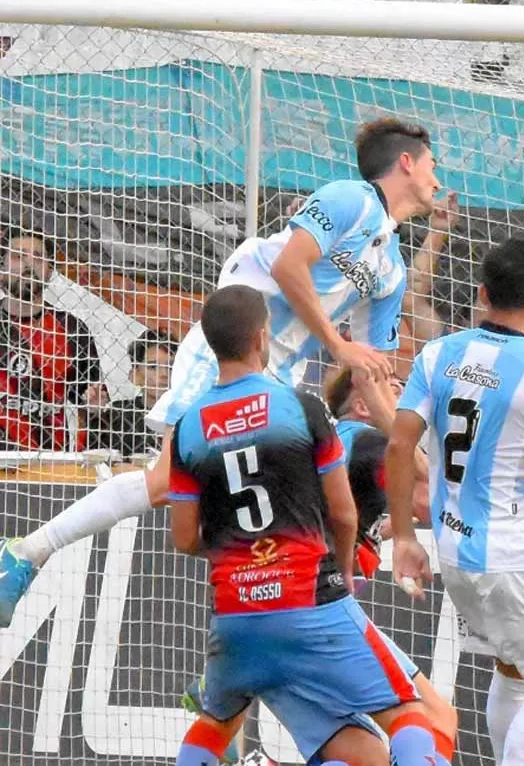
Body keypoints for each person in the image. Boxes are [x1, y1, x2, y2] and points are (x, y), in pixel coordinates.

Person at [0, 117, 443, 628]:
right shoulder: (351, 198)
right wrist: (339, 344)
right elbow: (288, 267)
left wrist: (409, 447)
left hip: (277, 383)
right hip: (224, 349)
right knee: (169, 484)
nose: (437, 177)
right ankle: (28, 551)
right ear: (406, 163)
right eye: (432, 164)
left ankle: (237, 666)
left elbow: (371, 375)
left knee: (270, 510)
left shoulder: (390, 270)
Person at [165, 286, 450, 766]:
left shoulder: (188, 427)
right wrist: (336, 575)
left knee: (216, 724)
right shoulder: (302, 407)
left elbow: (185, 537)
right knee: (414, 716)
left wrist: (242, 557)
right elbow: (343, 514)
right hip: (309, 602)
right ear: (262, 337)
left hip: (235, 614)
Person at [386, 239, 524, 766]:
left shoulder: (439, 353)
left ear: (481, 293)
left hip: (454, 551)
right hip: (517, 555)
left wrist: (405, 536)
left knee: (515, 667)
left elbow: (400, 442)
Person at [0, 228, 104, 451]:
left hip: (51, 460)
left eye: (38, 257)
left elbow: (88, 400)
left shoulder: (71, 328)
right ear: (2, 269)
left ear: (49, 271)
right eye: (19, 256)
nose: (29, 264)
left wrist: (95, 404)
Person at [86, 329, 177, 457]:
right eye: (152, 367)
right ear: (135, 376)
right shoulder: (118, 414)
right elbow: (93, 455)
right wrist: (95, 413)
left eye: (171, 367)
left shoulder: (186, 414)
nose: (164, 374)